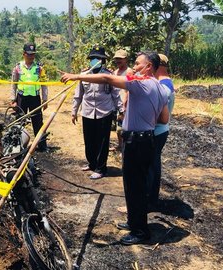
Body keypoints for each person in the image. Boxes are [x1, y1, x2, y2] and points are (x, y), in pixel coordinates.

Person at [60, 51, 170, 245]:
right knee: (135, 184)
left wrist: (76, 76)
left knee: (135, 186)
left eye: (137, 64)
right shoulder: (161, 89)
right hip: (146, 140)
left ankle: (140, 232)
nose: (134, 67)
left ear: (149, 67)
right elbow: (164, 118)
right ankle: (134, 221)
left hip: (136, 142)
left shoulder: (140, 85)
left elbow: (106, 78)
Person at [71, 46, 123, 179]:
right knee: (89, 140)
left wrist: (121, 110)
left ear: (102, 60)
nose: (95, 61)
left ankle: (101, 168)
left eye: (98, 58)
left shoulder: (108, 76)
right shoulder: (84, 75)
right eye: (93, 58)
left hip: (104, 112)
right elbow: (78, 95)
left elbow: (116, 94)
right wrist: (74, 111)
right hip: (87, 111)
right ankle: (92, 163)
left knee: (102, 142)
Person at [147, 53, 175, 210]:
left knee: (151, 167)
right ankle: (151, 199)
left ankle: (150, 201)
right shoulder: (165, 83)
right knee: (153, 164)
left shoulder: (164, 86)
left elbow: (159, 113)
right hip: (159, 130)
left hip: (156, 131)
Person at [10, 42, 48, 152]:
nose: (31, 57)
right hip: (21, 98)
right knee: (19, 121)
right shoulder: (18, 67)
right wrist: (13, 99)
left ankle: (42, 145)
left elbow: (44, 84)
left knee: (38, 122)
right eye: (29, 54)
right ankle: (17, 145)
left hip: (35, 98)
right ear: (24, 54)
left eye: (33, 54)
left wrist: (45, 100)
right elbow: (13, 83)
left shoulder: (39, 68)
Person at [112, 49, 133, 152]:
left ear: (125, 59)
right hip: (115, 101)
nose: (118, 61)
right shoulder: (115, 72)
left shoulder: (129, 71)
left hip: (125, 102)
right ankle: (120, 145)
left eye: (120, 59)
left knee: (122, 126)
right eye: (117, 59)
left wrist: (126, 102)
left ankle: (125, 146)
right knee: (117, 125)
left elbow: (130, 88)